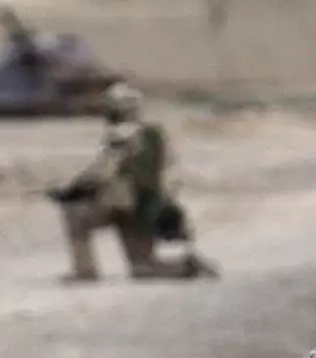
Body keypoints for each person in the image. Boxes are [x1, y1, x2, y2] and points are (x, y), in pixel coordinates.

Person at [46, 82, 217, 283]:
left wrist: (73, 190)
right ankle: (186, 266)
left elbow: (103, 171)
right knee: (144, 268)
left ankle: (85, 270)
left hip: (118, 203)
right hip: (145, 207)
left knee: (75, 217)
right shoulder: (155, 135)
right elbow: (169, 173)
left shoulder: (121, 134)